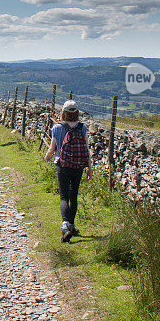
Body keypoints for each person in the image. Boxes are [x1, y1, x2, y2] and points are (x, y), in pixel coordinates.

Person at [44, 100, 92, 243]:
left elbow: (52, 149)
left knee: (64, 196)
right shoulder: (82, 128)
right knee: (74, 196)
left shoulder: (57, 128)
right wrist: (89, 168)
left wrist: (47, 157)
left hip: (62, 165)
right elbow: (87, 150)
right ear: (77, 112)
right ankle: (71, 225)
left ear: (63, 112)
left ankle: (65, 225)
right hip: (78, 166)